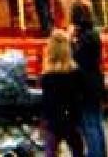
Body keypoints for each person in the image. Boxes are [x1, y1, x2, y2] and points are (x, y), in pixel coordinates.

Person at [71, 0, 108, 157]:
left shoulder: (85, 37)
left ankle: (95, 153)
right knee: (97, 121)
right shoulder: (93, 33)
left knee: (89, 124)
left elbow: (78, 58)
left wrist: (71, 43)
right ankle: (101, 152)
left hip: (86, 84)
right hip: (95, 81)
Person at [42, 29, 85, 157]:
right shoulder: (75, 73)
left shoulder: (47, 75)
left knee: (51, 149)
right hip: (70, 117)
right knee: (77, 148)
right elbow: (78, 97)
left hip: (52, 118)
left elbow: (46, 100)